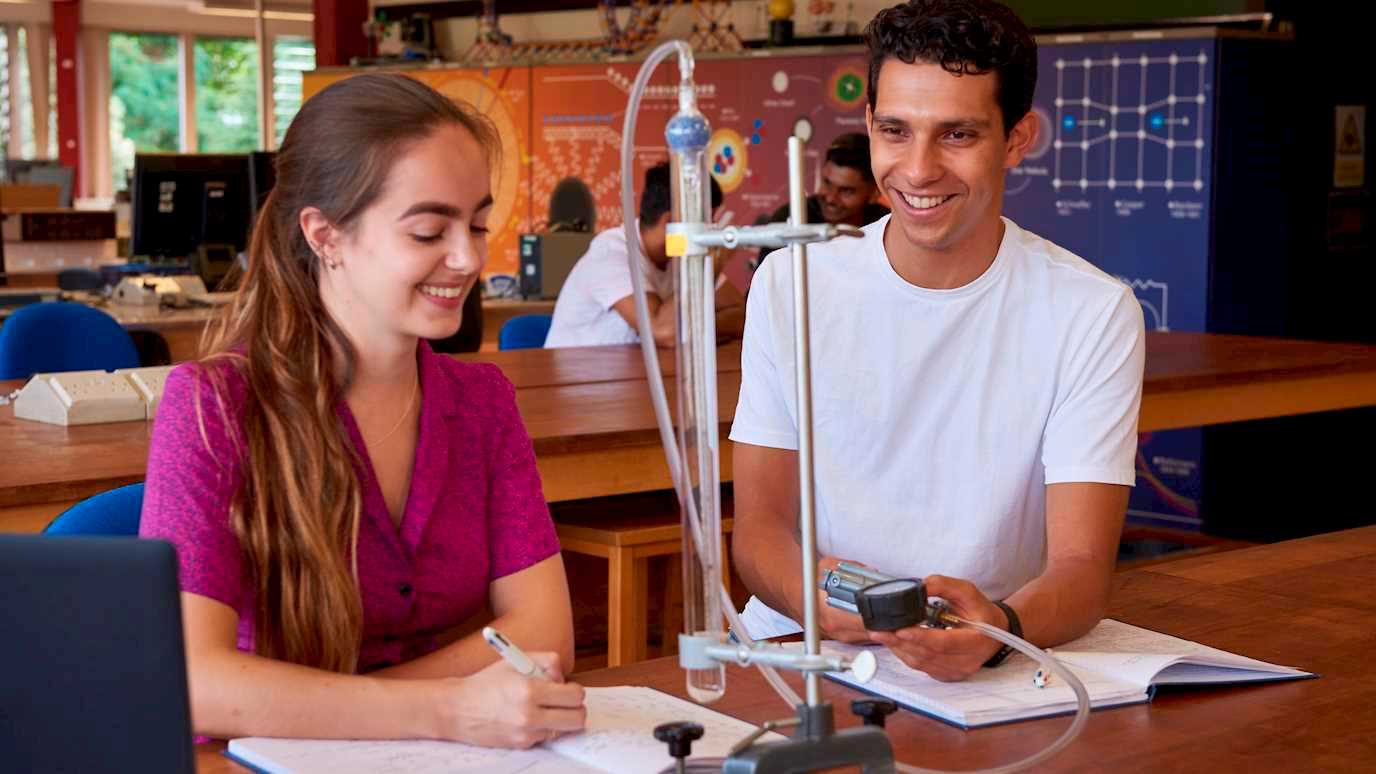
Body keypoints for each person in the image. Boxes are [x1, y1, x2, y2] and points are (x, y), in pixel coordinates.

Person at [140, 73, 584, 746]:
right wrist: (448, 710)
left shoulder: (483, 403)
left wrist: (336, 708)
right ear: (324, 235)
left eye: (478, 223)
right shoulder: (214, 409)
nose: (467, 258)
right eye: (429, 230)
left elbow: (544, 634)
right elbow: (193, 683)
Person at [730, 0, 1146, 682]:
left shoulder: (1092, 313)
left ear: (1016, 139)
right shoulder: (791, 282)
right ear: (868, 126)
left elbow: (1082, 570)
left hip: (991, 665)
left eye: (956, 135)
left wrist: (1000, 626)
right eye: (895, 131)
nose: (918, 170)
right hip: (802, 654)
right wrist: (812, 593)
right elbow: (759, 532)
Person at [544, 162, 743, 349]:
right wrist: (711, 262)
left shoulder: (679, 254)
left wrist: (692, 329)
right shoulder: (610, 253)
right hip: (573, 380)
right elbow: (665, 332)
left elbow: (743, 317)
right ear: (672, 222)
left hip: (631, 378)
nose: (712, 232)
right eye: (706, 223)